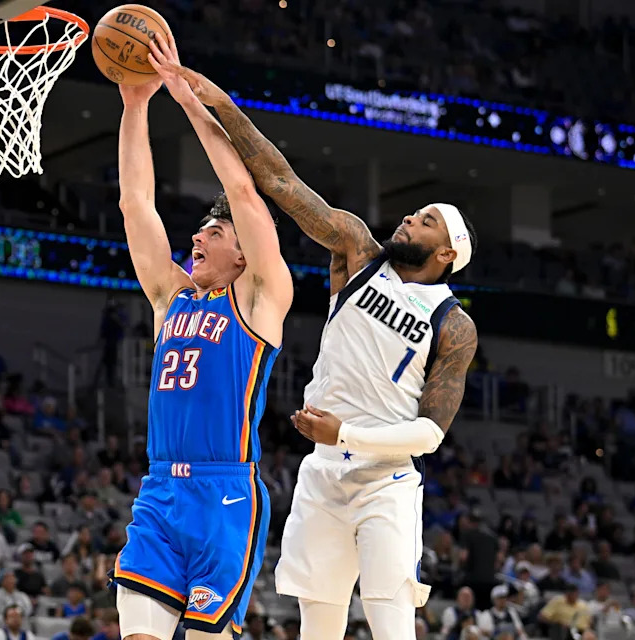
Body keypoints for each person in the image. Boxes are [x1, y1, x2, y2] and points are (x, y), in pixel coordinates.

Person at [169, 62, 478, 639]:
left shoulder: (453, 323)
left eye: (428, 220)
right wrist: (216, 102)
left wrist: (348, 434)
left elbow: (430, 435)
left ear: (446, 253)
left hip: (386, 479)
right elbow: (280, 183)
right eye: (416, 211)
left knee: (392, 627)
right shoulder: (359, 251)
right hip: (322, 474)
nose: (411, 216)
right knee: (318, 630)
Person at [110, 33, 293, 640]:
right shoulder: (172, 297)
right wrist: (135, 105)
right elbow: (136, 203)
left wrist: (189, 101)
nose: (200, 236)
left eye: (215, 232)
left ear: (243, 249)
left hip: (225, 497)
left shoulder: (261, 299)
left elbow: (245, 194)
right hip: (159, 490)